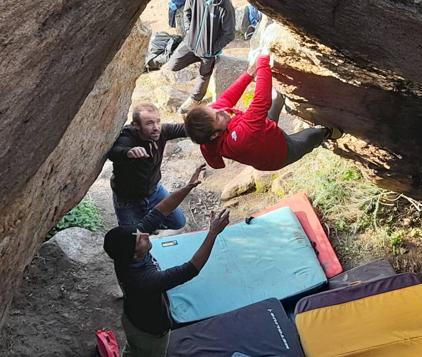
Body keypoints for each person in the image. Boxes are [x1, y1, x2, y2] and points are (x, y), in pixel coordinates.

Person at [103, 164, 230, 357]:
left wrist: (189, 186)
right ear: (135, 255)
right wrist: (213, 233)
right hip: (150, 332)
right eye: (141, 240)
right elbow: (191, 269)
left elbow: (160, 210)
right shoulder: (144, 280)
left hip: (131, 319)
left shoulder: (127, 248)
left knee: (133, 350)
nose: (146, 234)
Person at [183, 52, 343, 171]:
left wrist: (249, 74)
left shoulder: (208, 136)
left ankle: (289, 101)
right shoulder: (241, 137)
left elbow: (227, 98)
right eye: (218, 116)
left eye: (213, 110)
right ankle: (331, 133)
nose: (222, 111)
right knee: (313, 135)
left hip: (264, 130)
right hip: (281, 153)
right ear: (215, 135)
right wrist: (263, 62)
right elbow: (261, 101)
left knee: (278, 94)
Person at [107, 103, 188, 228]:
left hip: (154, 191)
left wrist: (198, 123)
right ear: (136, 125)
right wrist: (128, 152)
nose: (156, 127)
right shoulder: (127, 137)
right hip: (128, 199)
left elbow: (184, 129)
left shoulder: (162, 132)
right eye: (149, 123)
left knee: (178, 222)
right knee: (131, 239)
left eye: (158, 122)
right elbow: (113, 152)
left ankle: (148, 224)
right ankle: (144, 226)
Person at [165, 0, 236, 114]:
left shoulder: (225, 5)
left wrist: (213, 49)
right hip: (190, 43)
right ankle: (196, 61)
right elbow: (187, 11)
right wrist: (189, 31)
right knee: (173, 65)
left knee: (204, 75)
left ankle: (195, 99)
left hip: (208, 51)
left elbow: (229, 34)